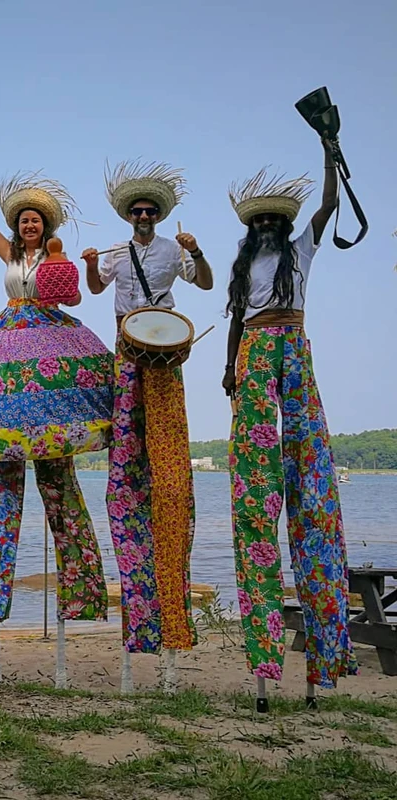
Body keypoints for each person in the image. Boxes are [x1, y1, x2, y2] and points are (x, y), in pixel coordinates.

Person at [0, 171, 113, 681]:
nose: (29, 225)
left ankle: (81, 597)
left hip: (48, 337)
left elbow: (74, 300)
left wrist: (71, 263)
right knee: (3, 480)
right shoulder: (9, 254)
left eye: (35, 220)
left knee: (59, 480)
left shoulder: (55, 254)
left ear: (45, 225)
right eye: (23, 220)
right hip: (7, 338)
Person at [223, 141, 356, 689]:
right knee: (256, 476)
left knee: (308, 461)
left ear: (284, 224)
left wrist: (330, 156)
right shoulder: (246, 262)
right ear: (252, 227)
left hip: (294, 343)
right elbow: (237, 318)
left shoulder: (300, 250)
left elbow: (328, 206)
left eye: (274, 219)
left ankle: (324, 654)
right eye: (260, 220)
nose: (267, 225)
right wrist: (228, 368)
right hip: (254, 347)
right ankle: (265, 655)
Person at [81, 160, 213, 678]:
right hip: (125, 338)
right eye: (136, 211)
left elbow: (204, 283)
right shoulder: (119, 252)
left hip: (163, 342)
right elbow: (95, 290)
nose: (142, 216)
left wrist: (197, 251)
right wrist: (91, 264)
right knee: (126, 447)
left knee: (167, 456)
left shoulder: (173, 249)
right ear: (128, 216)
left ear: (157, 215)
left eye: (149, 211)